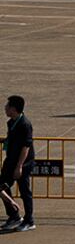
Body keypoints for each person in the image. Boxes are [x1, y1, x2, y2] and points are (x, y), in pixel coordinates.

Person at [2, 95, 35, 232]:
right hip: (10, 160)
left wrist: (19, 167)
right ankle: (14, 215)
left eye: (7, 106)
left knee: (24, 191)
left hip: (23, 163)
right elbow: (10, 140)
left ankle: (29, 220)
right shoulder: (11, 122)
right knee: (2, 186)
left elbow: (25, 147)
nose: (5, 108)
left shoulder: (25, 125)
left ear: (14, 109)